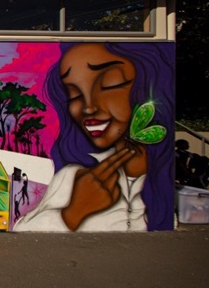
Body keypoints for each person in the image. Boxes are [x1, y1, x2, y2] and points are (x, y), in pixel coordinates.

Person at [15, 43, 174, 232]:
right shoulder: (72, 177)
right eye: (74, 94)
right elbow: (21, 229)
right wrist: (74, 212)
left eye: (110, 83)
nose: (88, 107)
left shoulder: (162, 179)